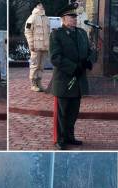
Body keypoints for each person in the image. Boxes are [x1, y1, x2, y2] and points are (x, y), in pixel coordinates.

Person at [49, 4, 95, 149]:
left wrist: (89, 61)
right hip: (64, 80)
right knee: (62, 112)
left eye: (75, 17)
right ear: (63, 19)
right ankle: (59, 139)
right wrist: (74, 68)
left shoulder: (81, 33)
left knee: (73, 112)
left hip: (79, 79)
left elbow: (90, 51)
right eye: (71, 17)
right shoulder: (56, 34)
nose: (75, 19)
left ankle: (70, 136)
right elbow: (55, 57)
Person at [24, 2, 50, 92]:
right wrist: (31, 45)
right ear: (36, 6)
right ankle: (33, 84)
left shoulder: (46, 18)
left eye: (42, 4)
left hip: (45, 47)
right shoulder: (32, 17)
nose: (42, 5)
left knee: (41, 66)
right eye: (39, 4)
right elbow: (27, 31)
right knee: (35, 65)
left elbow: (48, 33)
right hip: (36, 46)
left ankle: (39, 83)